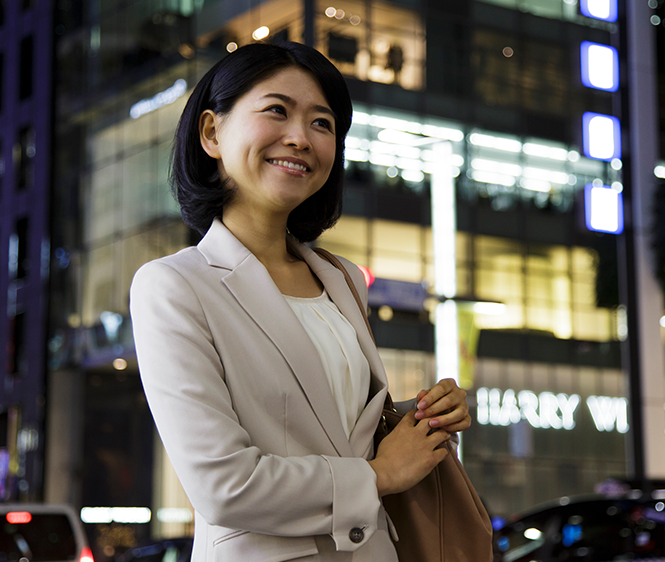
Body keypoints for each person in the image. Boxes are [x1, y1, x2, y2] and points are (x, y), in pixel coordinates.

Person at [130, 41, 471, 562]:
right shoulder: (174, 285)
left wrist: (424, 420)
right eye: (276, 110)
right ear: (211, 132)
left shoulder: (341, 278)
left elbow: (331, 428)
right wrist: (378, 475)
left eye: (322, 123)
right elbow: (224, 484)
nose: (301, 137)